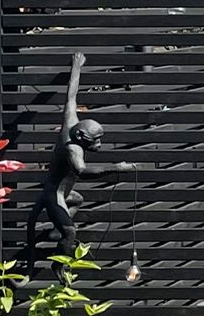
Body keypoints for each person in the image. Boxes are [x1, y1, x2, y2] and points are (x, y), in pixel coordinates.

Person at [25, 52, 136, 263]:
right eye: (94, 141)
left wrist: (77, 66)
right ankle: (60, 266)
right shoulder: (73, 150)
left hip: (65, 193)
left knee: (78, 199)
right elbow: (83, 173)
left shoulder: (70, 123)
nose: (99, 145)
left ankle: (56, 232)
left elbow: (71, 97)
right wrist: (117, 168)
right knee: (71, 233)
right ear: (81, 137)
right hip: (54, 196)